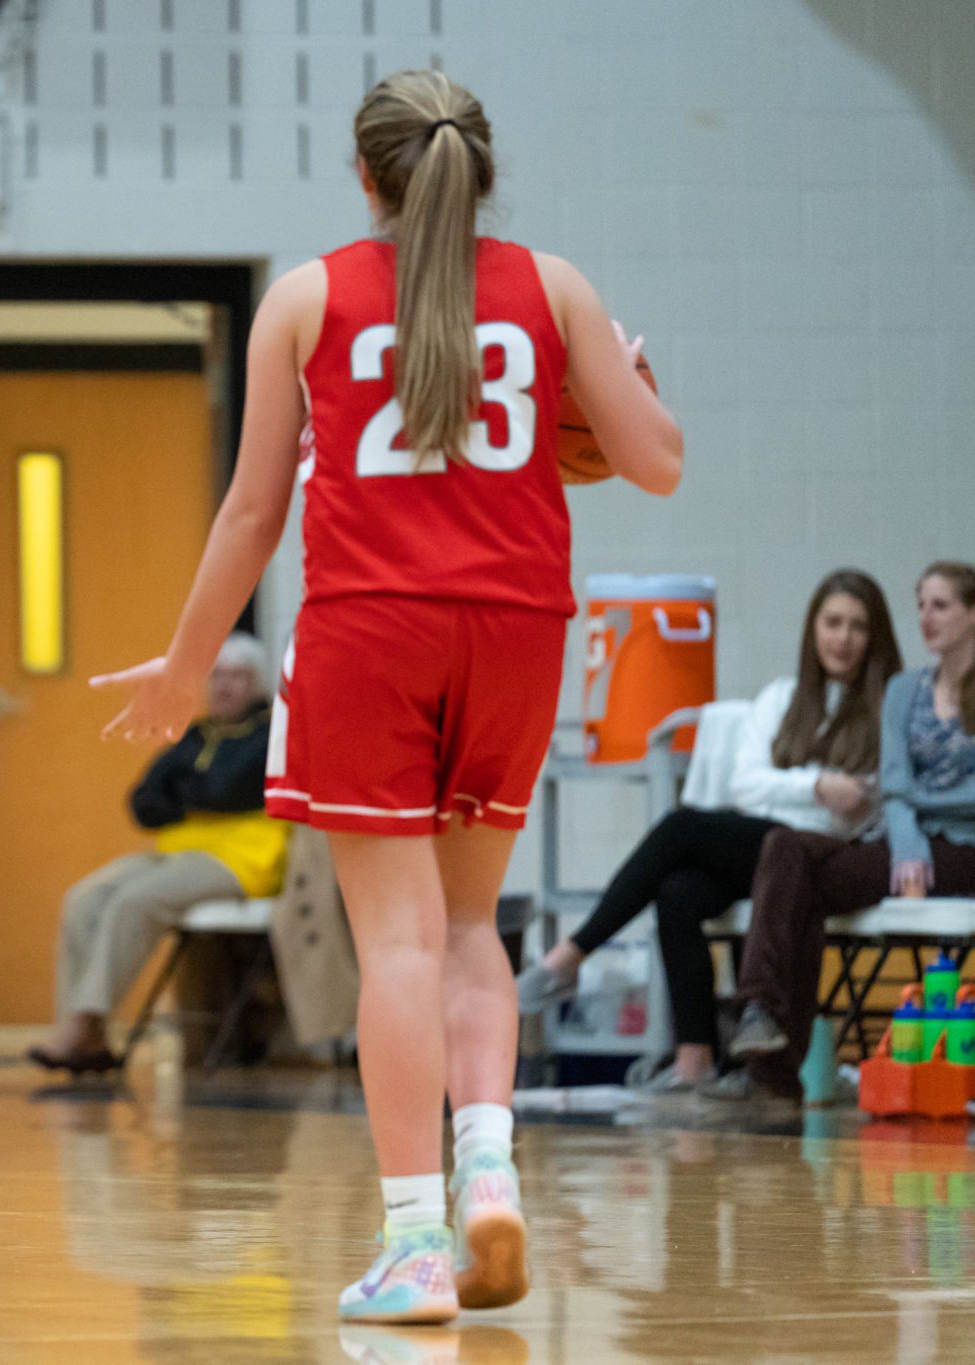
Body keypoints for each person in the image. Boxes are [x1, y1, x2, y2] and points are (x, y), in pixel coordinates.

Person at [92, 70, 682, 1323]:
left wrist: (190, 666)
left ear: (364, 176)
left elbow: (254, 511)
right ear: (476, 168)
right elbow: (653, 465)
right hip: (517, 629)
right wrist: (628, 377)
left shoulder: (304, 299)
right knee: (471, 930)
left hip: (371, 628)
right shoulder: (554, 288)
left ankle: (415, 1243)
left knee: (399, 943)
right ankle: (486, 1169)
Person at [516, 571, 902, 1090]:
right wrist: (817, 784)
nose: (843, 637)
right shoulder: (781, 698)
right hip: (764, 842)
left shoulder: (888, 710)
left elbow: (855, 807)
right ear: (813, 628)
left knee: (681, 829)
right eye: (833, 622)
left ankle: (570, 955)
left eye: (858, 627)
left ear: (874, 638)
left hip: (819, 855)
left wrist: (794, 787)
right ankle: (694, 1060)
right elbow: (746, 785)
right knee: (677, 893)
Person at [718, 561, 975, 1100]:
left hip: (971, 851)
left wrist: (923, 801)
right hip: (905, 846)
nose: (925, 618)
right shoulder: (903, 690)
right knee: (788, 851)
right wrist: (910, 839)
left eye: (940, 606)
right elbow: (893, 785)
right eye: (920, 605)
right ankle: (759, 1016)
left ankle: (773, 1076)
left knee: (802, 881)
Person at [28, 632, 285, 1076]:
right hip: (176, 851)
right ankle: (87, 1036)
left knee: (136, 901)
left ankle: (82, 1025)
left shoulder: (271, 734)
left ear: (258, 685)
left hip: (242, 858)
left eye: (238, 677)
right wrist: (193, 795)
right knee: (84, 897)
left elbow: (226, 790)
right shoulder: (196, 735)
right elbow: (144, 803)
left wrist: (185, 793)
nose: (225, 686)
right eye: (217, 676)